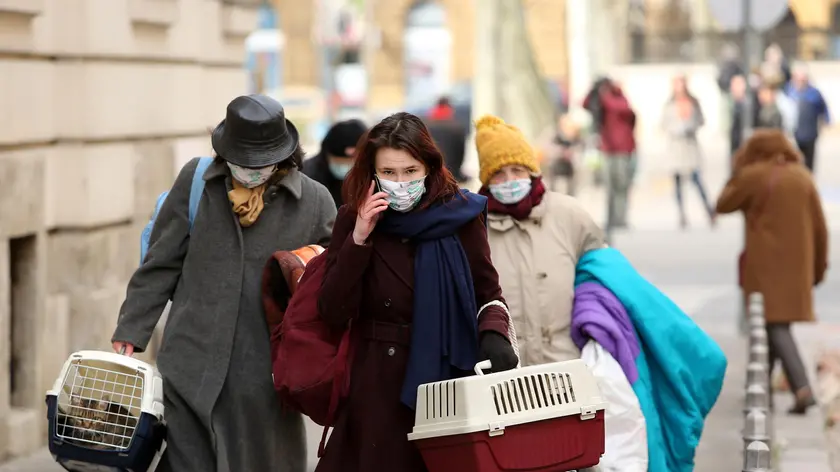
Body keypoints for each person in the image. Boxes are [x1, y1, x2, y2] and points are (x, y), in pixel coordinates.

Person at [111, 94, 337, 471]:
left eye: (260, 163)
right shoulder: (196, 182)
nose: (249, 171)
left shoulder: (314, 201)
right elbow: (161, 261)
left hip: (264, 375)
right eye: (241, 161)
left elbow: (333, 282)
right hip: (190, 362)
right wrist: (132, 329)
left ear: (282, 156)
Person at [315, 112, 519, 472]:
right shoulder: (354, 217)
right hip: (375, 385)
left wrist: (494, 336)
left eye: (410, 172)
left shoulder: (460, 214)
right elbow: (332, 309)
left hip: (447, 381)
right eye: (389, 173)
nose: (400, 182)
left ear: (429, 167)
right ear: (372, 172)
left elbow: (488, 292)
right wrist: (360, 237)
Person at [475, 115, 605, 364]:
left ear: (532, 171)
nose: (510, 180)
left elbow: (600, 279)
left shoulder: (569, 214)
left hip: (567, 370)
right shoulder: (475, 227)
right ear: (487, 180)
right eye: (499, 174)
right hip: (505, 378)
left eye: (517, 170)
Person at [716, 129, 828, 415]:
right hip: (798, 268)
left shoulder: (755, 176)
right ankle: (761, 392)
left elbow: (723, 203)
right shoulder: (802, 177)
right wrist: (818, 267)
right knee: (773, 326)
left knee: (774, 326)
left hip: (765, 268)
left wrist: (738, 170)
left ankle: (801, 387)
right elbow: (820, 228)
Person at [661, 74, 716, 229]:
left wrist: (689, 126)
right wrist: (675, 129)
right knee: (677, 183)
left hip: (689, 146)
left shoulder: (693, 102)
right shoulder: (669, 104)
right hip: (676, 148)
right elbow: (663, 123)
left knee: (697, 181)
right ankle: (682, 215)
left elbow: (701, 120)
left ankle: (709, 211)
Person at [584, 78, 637, 231]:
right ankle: (611, 219)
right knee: (610, 186)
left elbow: (622, 109)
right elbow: (585, 104)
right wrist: (593, 90)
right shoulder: (601, 101)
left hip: (623, 150)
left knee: (621, 185)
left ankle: (621, 219)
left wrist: (605, 94)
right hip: (607, 149)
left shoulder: (619, 99)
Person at [303, 119, 368, 208]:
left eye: (352, 161)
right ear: (326, 155)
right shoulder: (307, 176)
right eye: (339, 161)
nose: (346, 167)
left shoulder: (372, 174)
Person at [785, 63, 830, 172]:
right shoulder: (789, 91)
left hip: (810, 134)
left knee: (808, 164)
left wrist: (826, 121)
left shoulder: (814, 93)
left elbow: (823, 109)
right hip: (793, 134)